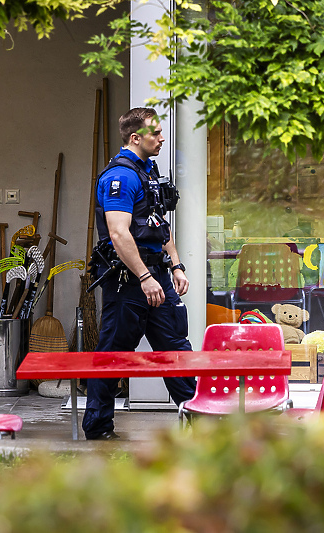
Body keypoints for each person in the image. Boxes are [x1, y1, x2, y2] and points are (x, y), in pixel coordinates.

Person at [82, 107, 196, 440]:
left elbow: (160, 224)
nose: (162, 138)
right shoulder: (121, 176)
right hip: (128, 283)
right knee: (113, 354)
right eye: (156, 133)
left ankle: (197, 421)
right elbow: (119, 233)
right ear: (136, 138)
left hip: (157, 275)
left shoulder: (148, 172)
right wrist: (145, 277)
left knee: (175, 348)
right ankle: (98, 426)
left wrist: (175, 264)